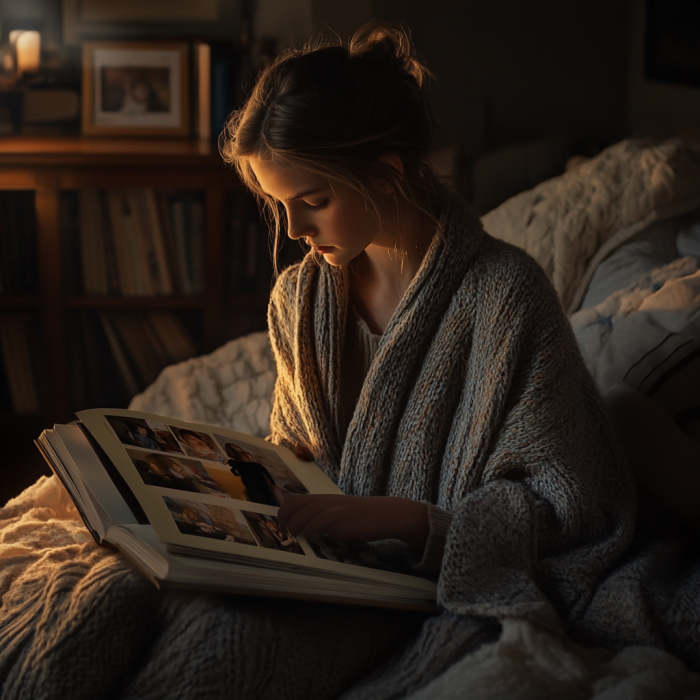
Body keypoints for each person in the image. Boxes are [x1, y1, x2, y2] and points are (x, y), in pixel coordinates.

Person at [215, 21, 638, 700]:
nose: (293, 230)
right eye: (277, 206)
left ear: (385, 174)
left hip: (433, 579)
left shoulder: (507, 296)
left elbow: (568, 502)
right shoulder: (299, 297)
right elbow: (295, 444)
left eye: (312, 202)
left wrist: (405, 521)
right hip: (326, 572)